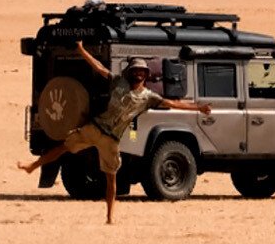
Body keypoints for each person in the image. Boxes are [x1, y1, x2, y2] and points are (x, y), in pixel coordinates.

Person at [20, 40, 212, 224]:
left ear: (145, 75)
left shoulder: (148, 97)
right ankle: (32, 166)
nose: (138, 74)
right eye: (135, 70)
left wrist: (198, 109)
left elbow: (174, 104)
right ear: (130, 72)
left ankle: (110, 216)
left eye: (141, 71)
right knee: (63, 147)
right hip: (95, 128)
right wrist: (81, 50)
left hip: (111, 140)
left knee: (111, 178)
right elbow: (98, 68)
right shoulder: (118, 82)